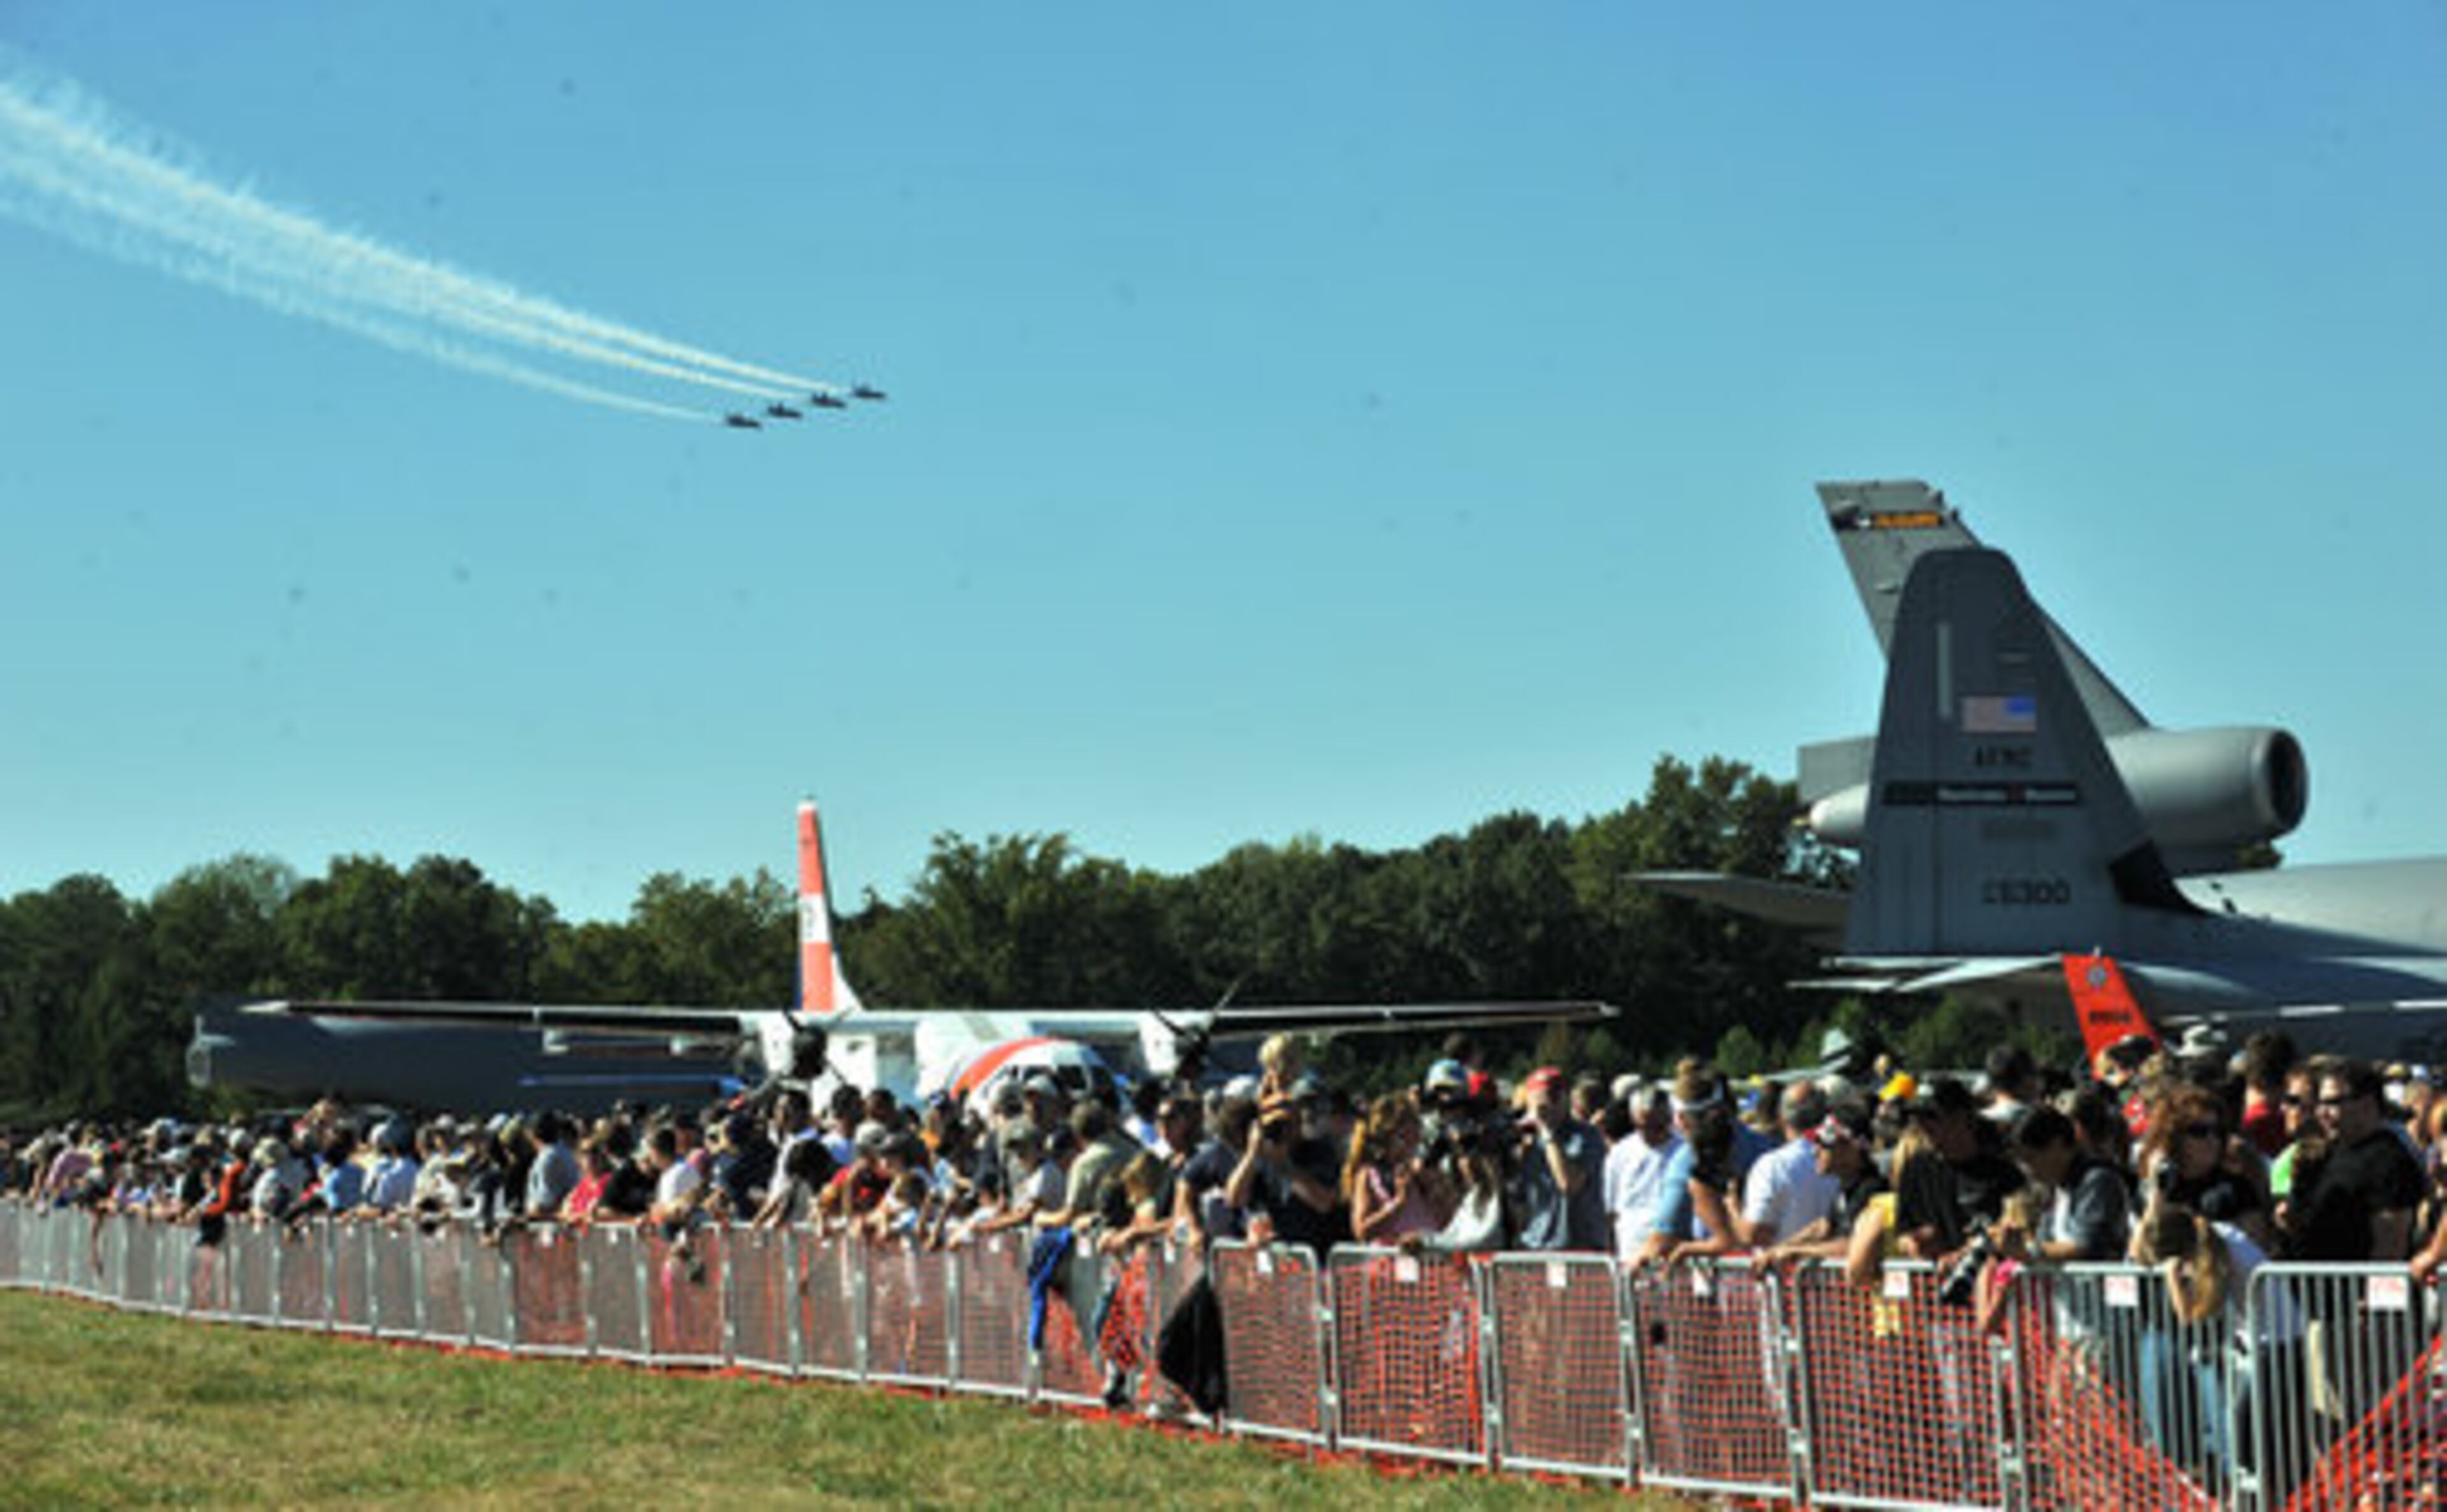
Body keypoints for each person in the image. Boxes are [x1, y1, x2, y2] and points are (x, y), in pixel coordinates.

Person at [1738, 1081, 1842, 1248]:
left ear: (1781, 1118)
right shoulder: (1844, 1159)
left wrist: (1732, 1209)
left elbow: (1752, 1233)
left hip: (1783, 1269)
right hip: (1833, 1266)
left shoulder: (1772, 1166)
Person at [1342, 1093, 1448, 1244]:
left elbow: (1446, 1223)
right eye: (1404, 1137)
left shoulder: (1422, 1171)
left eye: (1416, 1135)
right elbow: (1362, 1231)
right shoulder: (1370, 1175)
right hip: (1389, 1263)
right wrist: (1399, 1202)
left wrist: (1437, 1190)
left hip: (1432, 1263)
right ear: (1386, 1138)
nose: (1412, 1144)